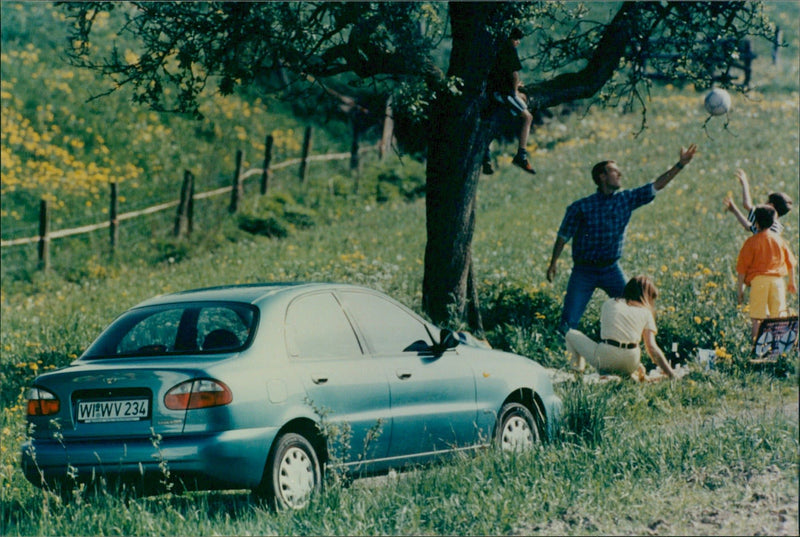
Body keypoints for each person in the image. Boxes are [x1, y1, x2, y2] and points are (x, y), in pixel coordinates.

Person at [546, 144, 698, 334]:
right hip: (584, 270)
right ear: (602, 176)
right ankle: (563, 354)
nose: (620, 175)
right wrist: (553, 263)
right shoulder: (581, 207)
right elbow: (563, 236)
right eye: (614, 171)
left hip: (611, 269)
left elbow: (656, 185)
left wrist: (680, 165)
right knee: (568, 322)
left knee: (635, 306)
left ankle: (642, 346)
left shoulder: (625, 200)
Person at [565, 276, 676, 380]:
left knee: (570, 334)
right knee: (632, 351)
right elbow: (652, 347)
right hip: (631, 363)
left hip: (606, 358)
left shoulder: (610, 303)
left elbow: (606, 332)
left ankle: (576, 373)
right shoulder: (646, 312)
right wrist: (670, 373)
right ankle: (624, 374)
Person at [735, 205, 797, 340]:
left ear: (756, 223)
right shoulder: (779, 240)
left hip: (759, 282)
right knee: (779, 317)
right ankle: (777, 349)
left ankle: (756, 348)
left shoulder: (751, 242)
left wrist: (740, 290)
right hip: (778, 282)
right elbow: (790, 263)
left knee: (758, 317)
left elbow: (742, 269)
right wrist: (792, 282)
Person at [483, 27, 535, 175]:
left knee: (489, 119)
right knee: (527, 117)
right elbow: (514, 74)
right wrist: (515, 91)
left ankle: (486, 156)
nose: (518, 42)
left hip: (492, 90)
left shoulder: (493, 49)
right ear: (510, 38)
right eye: (516, 39)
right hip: (504, 93)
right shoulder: (509, 49)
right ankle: (521, 155)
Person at [723, 168, 792, 234]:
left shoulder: (765, 222)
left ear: (771, 206)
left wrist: (745, 184)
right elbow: (748, 226)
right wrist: (734, 210)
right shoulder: (774, 226)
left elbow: (747, 205)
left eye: (766, 201)